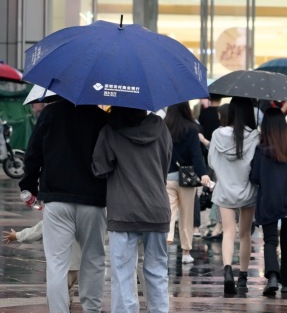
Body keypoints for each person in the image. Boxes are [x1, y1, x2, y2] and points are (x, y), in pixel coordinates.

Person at [18, 98, 107, 313]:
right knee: (93, 258)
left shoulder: (50, 114)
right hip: (93, 198)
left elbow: (33, 153)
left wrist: (29, 185)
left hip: (56, 198)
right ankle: (92, 309)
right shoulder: (102, 118)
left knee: (57, 263)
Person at [92, 106, 173, 313]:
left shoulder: (110, 131)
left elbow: (99, 168)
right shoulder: (161, 127)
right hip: (157, 207)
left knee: (123, 274)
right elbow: (165, 162)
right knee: (157, 271)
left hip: (123, 210)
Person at [200, 97, 260, 295]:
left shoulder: (217, 134)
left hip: (225, 190)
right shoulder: (254, 136)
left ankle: (227, 271)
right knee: (244, 235)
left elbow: (212, 161)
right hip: (248, 191)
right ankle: (242, 277)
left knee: (227, 232)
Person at [250, 107, 287, 296]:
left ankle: (273, 275)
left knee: (270, 240)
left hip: (269, 201)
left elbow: (255, 177)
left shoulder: (261, 149)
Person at [164, 102, 211, 264]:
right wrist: (203, 173)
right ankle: (185, 252)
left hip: (167, 176)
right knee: (186, 215)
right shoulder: (192, 128)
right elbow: (196, 154)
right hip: (186, 178)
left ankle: (165, 242)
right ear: (186, 109)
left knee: (168, 213)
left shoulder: (164, 127)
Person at [3, 220, 81, 308]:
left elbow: (34, 233)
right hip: (76, 263)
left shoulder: (54, 217)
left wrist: (16, 235)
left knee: (57, 294)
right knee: (68, 290)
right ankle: (67, 307)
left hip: (59, 264)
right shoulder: (78, 218)